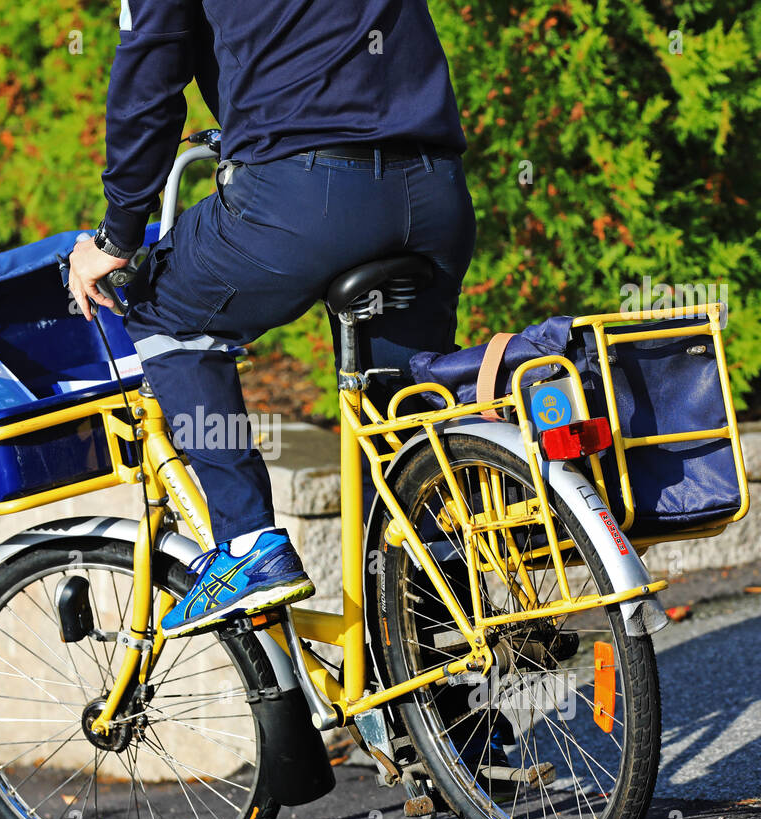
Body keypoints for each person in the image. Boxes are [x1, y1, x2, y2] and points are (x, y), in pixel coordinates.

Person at [68, 0, 475, 640]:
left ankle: (246, 544)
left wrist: (117, 235)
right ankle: (441, 714)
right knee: (395, 435)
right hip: (435, 192)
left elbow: (149, 79)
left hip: (307, 196)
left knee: (162, 310)